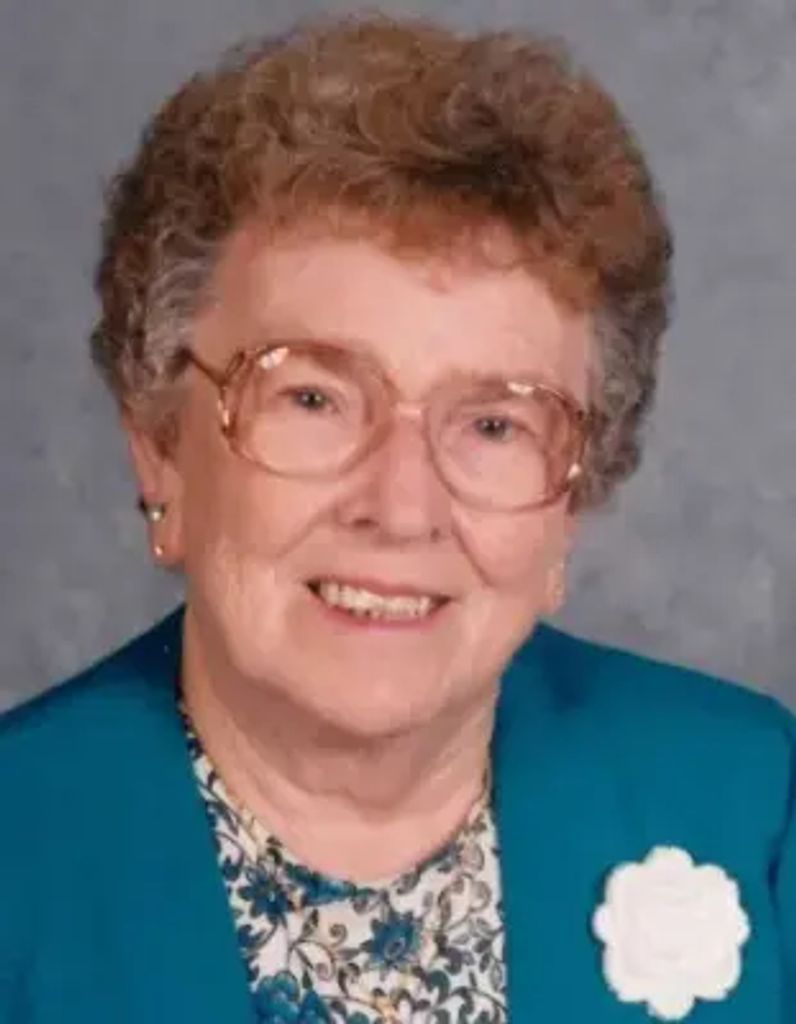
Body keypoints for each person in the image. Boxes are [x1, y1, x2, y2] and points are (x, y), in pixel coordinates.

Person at [1, 13, 793, 1024]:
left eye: (495, 424)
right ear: (160, 442)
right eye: (314, 398)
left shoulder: (754, 805)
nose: (401, 506)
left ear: (575, 493)